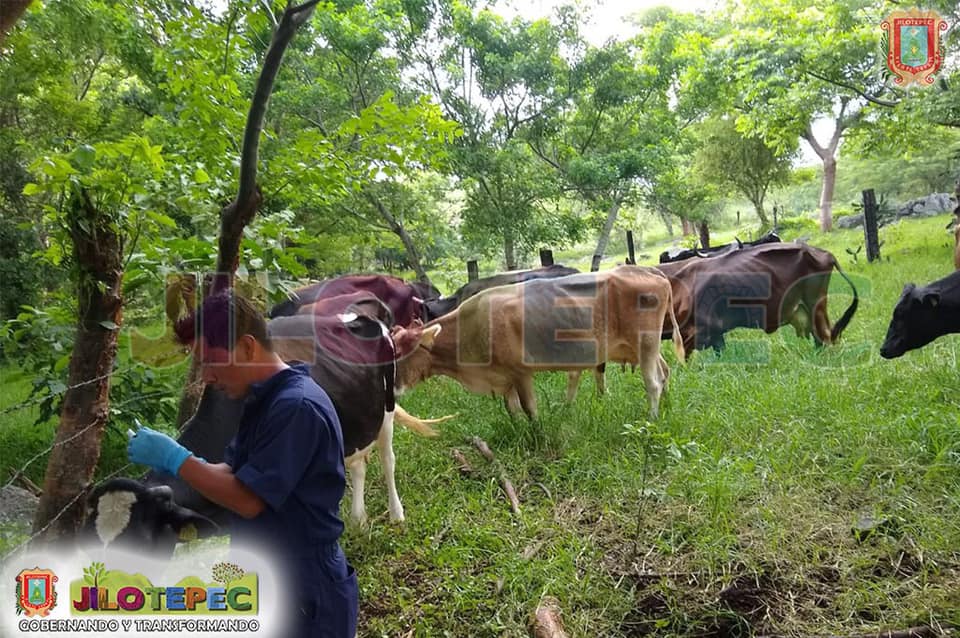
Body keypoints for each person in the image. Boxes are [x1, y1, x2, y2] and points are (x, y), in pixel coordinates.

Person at [127, 289, 358, 638]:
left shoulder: (295, 407)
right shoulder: (265, 399)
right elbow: (233, 474)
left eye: (210, 361)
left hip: (304, 584)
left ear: (248, 347)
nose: (205, 376)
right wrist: (178, 459)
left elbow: (247, 499)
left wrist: (176, 457)